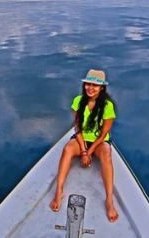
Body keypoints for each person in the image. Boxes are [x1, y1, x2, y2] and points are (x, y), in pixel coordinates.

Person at [49, 69, 119, 222]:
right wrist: (83, 150)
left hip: (98, 143)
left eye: (95, 85)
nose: (90, 88)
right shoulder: (78, 101)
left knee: (106, 153)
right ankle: (59, 190)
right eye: (88, 84)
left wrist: (89, 151)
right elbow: (78, 128)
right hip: (82, 140)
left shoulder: (108, 106)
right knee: (67, 149)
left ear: (102, 88)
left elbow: (102, 135)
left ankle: (109, 199)